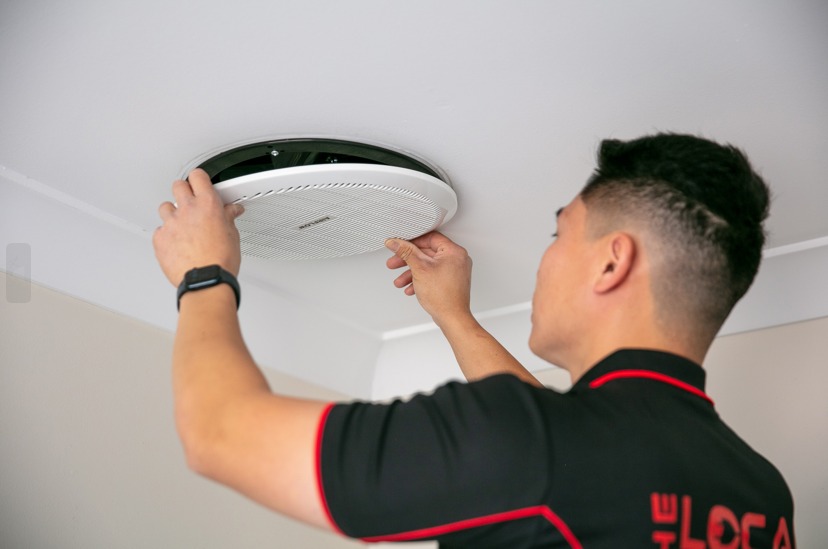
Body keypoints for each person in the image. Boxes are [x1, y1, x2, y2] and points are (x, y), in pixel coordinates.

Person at [153, 133, 795, 548]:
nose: (546, 260)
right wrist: (457, 319)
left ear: (611, 262)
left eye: (557, 236)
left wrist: (203, 273)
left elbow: (220, 434)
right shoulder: (763, 499)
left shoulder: (535, 445)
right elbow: (559, 474)